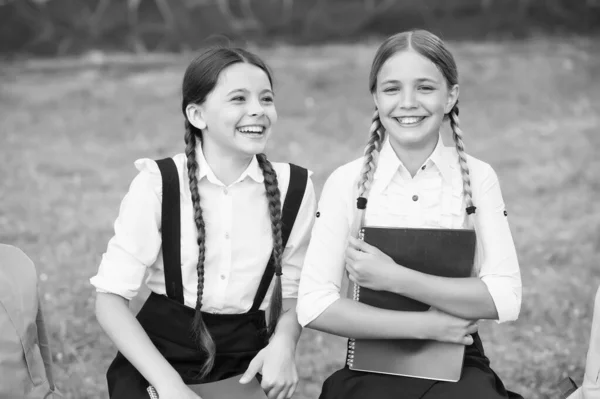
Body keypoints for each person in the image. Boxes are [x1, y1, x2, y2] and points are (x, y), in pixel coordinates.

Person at [297, 29, 523, 399]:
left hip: (459, 368)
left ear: (451, 95)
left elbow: (504, 297)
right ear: (375, 97)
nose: (407, 102)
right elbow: (314, 304)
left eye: (425, 88)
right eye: (391, 89)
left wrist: (394, 277)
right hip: (371, 370)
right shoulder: (347, 182)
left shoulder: (477, 177)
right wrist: (427, 325)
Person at [90, 47, 316, 399]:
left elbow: (293, 295)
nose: (257, 109)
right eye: (238, 99)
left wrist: (284, 344)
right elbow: (110, 300)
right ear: (197, 114)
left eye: (266, 98)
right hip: (158, 363)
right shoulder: (159, 183)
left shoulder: (295, 188)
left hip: (243, 363)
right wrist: (169, 387)